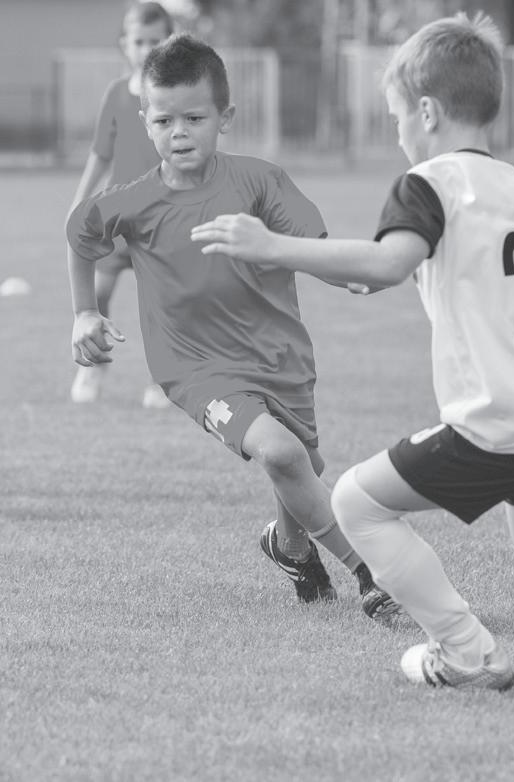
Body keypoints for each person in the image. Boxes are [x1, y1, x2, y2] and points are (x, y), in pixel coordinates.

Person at [191, 13, 514, 690]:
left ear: (426, 111)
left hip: (500, 417)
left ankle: (466, 654)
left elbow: (388, 262)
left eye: (395, 118)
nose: (398, 134)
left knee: (356, 501)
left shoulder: (428, 183)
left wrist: (271, 245)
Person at [67, 33, 397, 618]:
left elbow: (310, 246)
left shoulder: (260, 181)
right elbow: (79, 233)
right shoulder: (133, 202)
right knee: (282, 454)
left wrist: (350, 274)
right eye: (164, 120)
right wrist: (84, 312)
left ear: (226, 117)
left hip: (280, 355)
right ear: (145, 123)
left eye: (194, 118)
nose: (179, 133)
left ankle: (289, 547)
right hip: (194, 368)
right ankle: (373, 574)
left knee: (302, 466)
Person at [68, 1, 172, 409]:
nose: (146, 49)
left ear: (169, 43)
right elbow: (100, 153)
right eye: (139, 41)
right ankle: (94, 364)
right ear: (124, 44)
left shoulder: (172, 98)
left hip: (162, 219)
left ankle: (162, 379)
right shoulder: (115, 94)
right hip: (117, 219)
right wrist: (80, 200)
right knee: (96, 290)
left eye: (155, 41)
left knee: (160, 303)